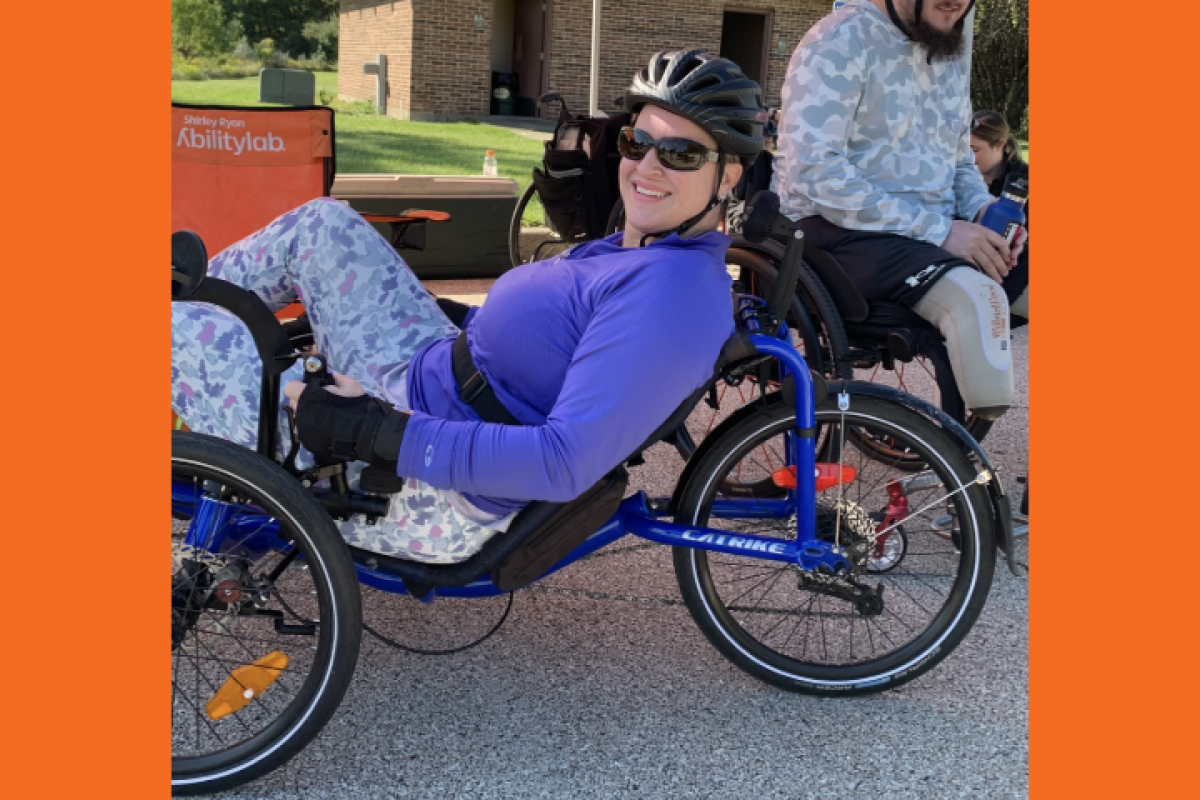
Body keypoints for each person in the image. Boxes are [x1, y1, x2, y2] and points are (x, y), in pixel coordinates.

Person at [172, 49, 765, 564]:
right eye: (637, 142)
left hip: (426, 483)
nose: (646, 166)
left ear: (728, 175)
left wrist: (374, 431)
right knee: (323, 226)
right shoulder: (646, 244)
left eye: (681, 154)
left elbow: (563, 463)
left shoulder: (673, 294)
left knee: (169, 333)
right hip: (428, 372)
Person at [771, 0, 1025, 420]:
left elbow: (959, 159)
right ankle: (968, 481)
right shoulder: (839, 39)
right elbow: (814, 172)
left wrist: (983, 212)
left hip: (928, 230)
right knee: (979, 301)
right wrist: (941, 231)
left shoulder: (949, 43)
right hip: (833, 228)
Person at [971, 109, 1028, 321]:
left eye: (974, 150)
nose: (967, 158)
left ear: (1000, 145)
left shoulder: (1025, 184)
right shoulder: (955, 181)